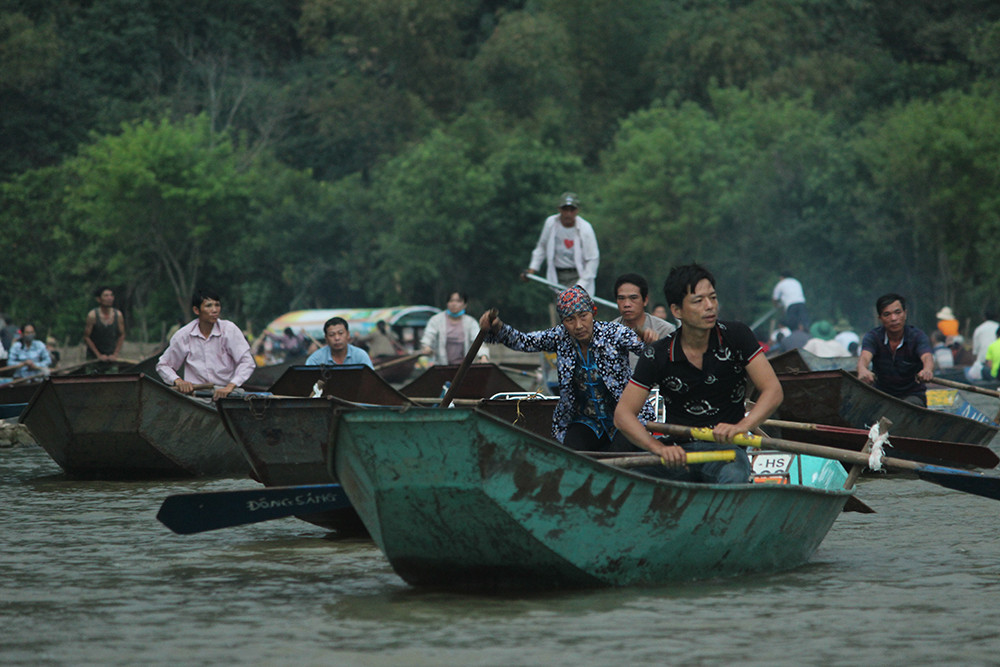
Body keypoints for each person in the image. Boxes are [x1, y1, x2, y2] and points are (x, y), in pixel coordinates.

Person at [614, 264, 783, 484]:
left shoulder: (737, 336)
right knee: (626, 480)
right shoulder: (658, 353)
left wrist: (741, 427)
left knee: (733, 479)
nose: (710, 306)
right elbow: (623, 415)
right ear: (677, 311)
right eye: (698, 301)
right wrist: (657, 448)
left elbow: (773, 390)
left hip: (727, 453)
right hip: (678, 452)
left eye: (712, 298)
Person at [480, 285, 655, 451]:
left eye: (583, 316)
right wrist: (497, 327)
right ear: (563, 322)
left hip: (625, 418)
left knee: (621, 452)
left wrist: (650, 343)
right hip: (586, 421)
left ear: (593, 313)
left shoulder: (614, 332)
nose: (578, 326)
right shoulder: (560, 337)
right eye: (570, 320)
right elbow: (524, 341)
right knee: (571, 452)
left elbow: (649, 353)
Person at [156, 289, 256, 400]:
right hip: (196, 395)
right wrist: (178, 381)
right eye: (208, 306)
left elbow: (247, 362)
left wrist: (230, 386)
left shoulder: (229, 330)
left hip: (227, 394)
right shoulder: (184, 335)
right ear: (196, 310)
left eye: (217, 305)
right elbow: (163, 365)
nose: (214, 310)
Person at [857, 293, 934, 406]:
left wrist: (927, 370)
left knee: (908, 406)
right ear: (880, 318)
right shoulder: (873, 337)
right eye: (887, 314)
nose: (893, 318)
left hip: (912, 395)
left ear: (905, 313)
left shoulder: (917, 336)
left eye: (898, 313)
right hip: (881, 395)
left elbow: (927, 357)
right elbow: (864, 357)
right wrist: (862, 369)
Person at [523, 192, 600, 297]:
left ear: (577, 211)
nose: (568, 214)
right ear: (559, 209)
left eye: (572, 210)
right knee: (561, 309)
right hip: (557, 276)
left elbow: (593, 259)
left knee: (576, 310)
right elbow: (541, 247)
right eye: (565, 209)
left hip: (578, 275)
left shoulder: (585, 229)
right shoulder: (551, 223)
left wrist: (580, 285)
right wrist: (532, 269)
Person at [612, 273, 675, 369]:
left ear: (645, 300)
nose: (627, 304)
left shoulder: (665, 331)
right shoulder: (610, 331)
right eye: (621, 298)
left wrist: (656, 348)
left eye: (633, 298)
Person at [420, 292, 490, 365]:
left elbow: (478, 341)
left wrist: (483, 356)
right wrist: (426, 347)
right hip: (441, 367)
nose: (454, 304)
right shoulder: (436, 320)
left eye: (458, 301)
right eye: (451, 301)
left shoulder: (471, 322)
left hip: (464, 368)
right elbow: (428, 337)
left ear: (465, 305)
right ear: (447, 303)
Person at [305, 317, 373, 369]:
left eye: (340, 333)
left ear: (348, 335)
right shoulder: (315, 359)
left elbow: (370, 381)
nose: (337, 338)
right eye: (332, 335)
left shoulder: (360, 355)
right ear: (326, 338)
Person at [83, 286, 126, 363]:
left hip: (111, 357)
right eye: (106, 296)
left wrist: (115, 354)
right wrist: (98, 355)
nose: (109, 298)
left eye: (111, 295)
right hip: (94, 358)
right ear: (99, 299)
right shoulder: (92, 316)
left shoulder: (118, 315)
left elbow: (122, 335)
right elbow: (87, 337)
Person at [967, 311, 999, 381]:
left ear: (984, 318)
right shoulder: (998, 327)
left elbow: (975, 352)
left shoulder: (979, 329)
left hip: (984, 363)